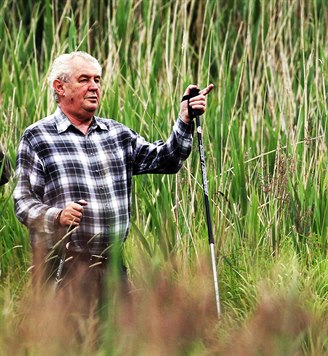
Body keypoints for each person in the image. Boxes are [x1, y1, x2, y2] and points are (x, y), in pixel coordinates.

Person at [14, 51, 213, 301]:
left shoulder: (117, 134)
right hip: (63, 270)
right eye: (84, 79)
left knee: (121, 340)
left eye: (97, 80)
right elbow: (22, 202)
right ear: (60, 87)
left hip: (113, 270)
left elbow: (168, 160)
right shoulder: (38, 137)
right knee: (68, 340)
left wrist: (184, 119)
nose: (94, 87)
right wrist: (58, 216)